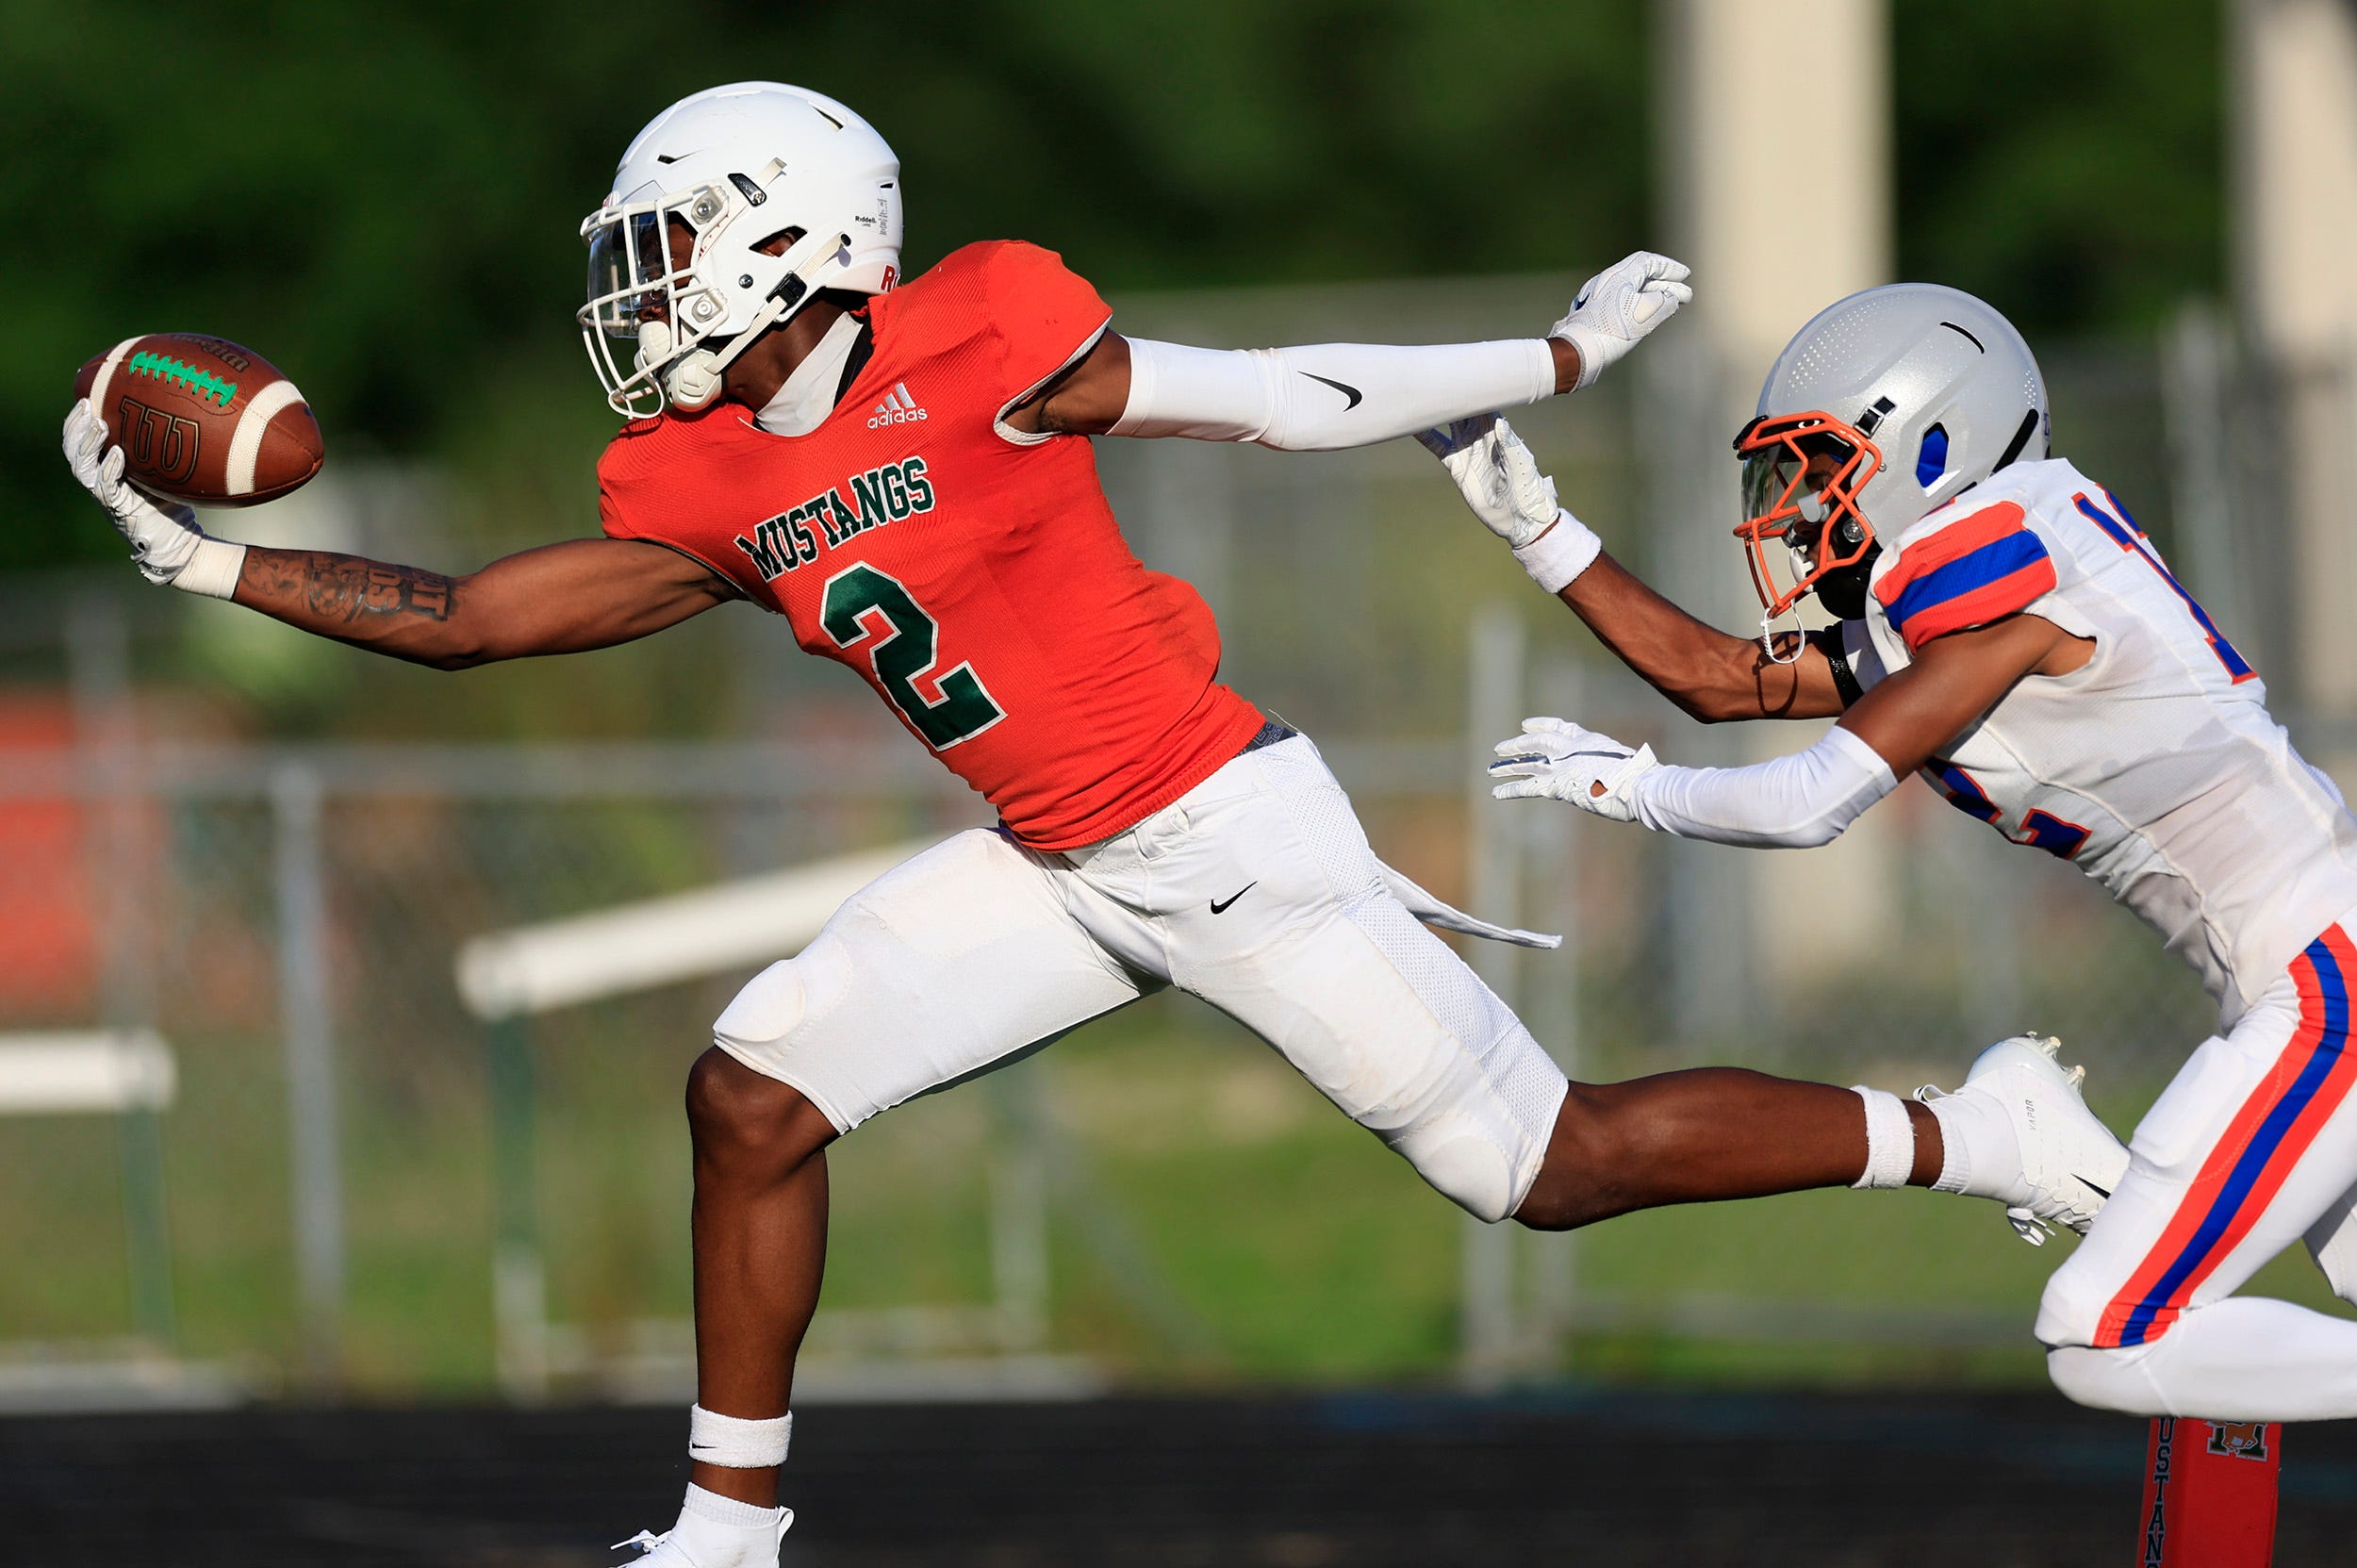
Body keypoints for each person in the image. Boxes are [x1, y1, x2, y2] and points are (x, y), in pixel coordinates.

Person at [60, 84, 2117, 1567]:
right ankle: (724, 1525)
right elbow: (485, 620)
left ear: (792, 239)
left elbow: (1288, 394)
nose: (643, 282)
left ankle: (1978, 1127)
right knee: (751, 1091)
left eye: (670, 238)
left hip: (1230, 837)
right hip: (1060, 863)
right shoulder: (694, 480)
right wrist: (226, 568)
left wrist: (1550, 354)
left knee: (1546, 1172)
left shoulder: (982, 334)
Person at [1427, 280, 2357, 1426]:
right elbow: (1723, 680)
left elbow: (1810, 802)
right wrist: (1538, 529)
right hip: (2307, 973)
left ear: (1931, 439)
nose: (1796, 507)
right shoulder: (1994, 580)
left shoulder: (1994, 562)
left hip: (2328, 984)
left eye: (1818, 470)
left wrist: (1631, 787)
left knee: (2107, 1335)